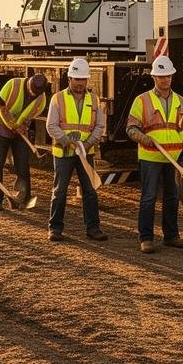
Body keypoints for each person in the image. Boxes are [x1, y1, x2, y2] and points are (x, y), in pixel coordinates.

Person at [126, 55, 183, 253]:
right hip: (150, 158)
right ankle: (146, 238)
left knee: (172, 197)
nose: (166, 80)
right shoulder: (142, 100)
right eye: (162, 76)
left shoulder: (180, 101)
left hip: (173, 158)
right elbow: (131, 129)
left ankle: (171, 236)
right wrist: (145, 139)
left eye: (169, 76)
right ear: (154, 77)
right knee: (148, 198)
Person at [46, 57, 107, 243]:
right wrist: (66, 141)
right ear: (69, 79)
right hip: (64, 153)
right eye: (77, 79)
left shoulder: (94, 100)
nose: (80, 83)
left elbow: (99, 126)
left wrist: (88, 144)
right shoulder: (58, 98)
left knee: (89, 191)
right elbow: (51, 125)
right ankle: (55, 228)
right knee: (60, 191)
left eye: (83, 79)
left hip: (85, 153)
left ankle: (93, 228)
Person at [0, 72, 47, 210]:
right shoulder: (13, 85)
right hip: (0, 130)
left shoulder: (42, 100)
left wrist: (23, 126)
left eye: (36, 94)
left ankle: (23, 199)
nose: (33, 95)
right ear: (28, 84)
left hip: (19, 135)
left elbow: (29, 117)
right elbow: (1, 108)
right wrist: (13, 126)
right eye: (32, 92)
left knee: (22, 167)